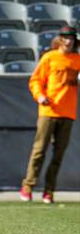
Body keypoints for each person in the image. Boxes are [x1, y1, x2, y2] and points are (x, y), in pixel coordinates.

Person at [20, 26, 80, 204]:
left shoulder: (77, 59)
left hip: (68, 112)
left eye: (71, 38)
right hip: (49, 110)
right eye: (65, 37)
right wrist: (39, 95)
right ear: (60, 39)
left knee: (58, 154)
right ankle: (28, 186)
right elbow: (36, 80)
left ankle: (49, 190)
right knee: (39, 151)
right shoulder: (50, 57)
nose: (68, 41)